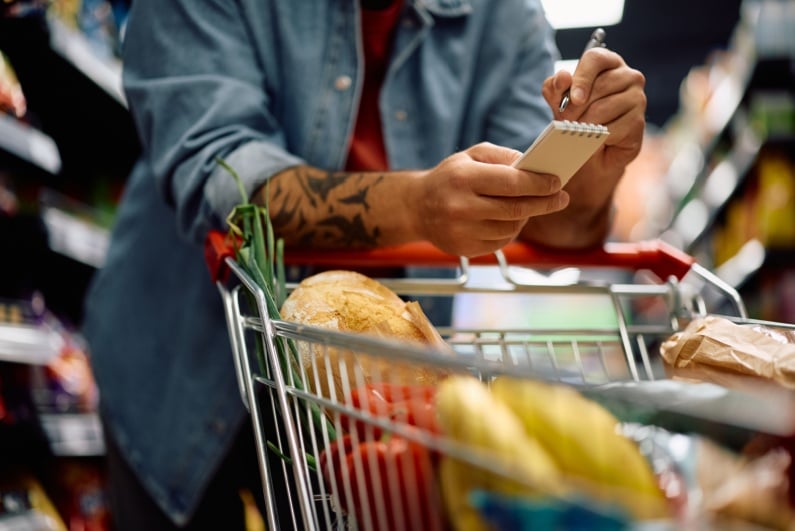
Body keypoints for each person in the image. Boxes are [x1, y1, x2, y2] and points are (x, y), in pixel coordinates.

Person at [81, 0, 647, 529]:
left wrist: (593, 164)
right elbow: (221, 176)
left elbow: (554, 223)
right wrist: (416, 207)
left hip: (382, 410)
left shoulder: (502, 14)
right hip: (184, 368)